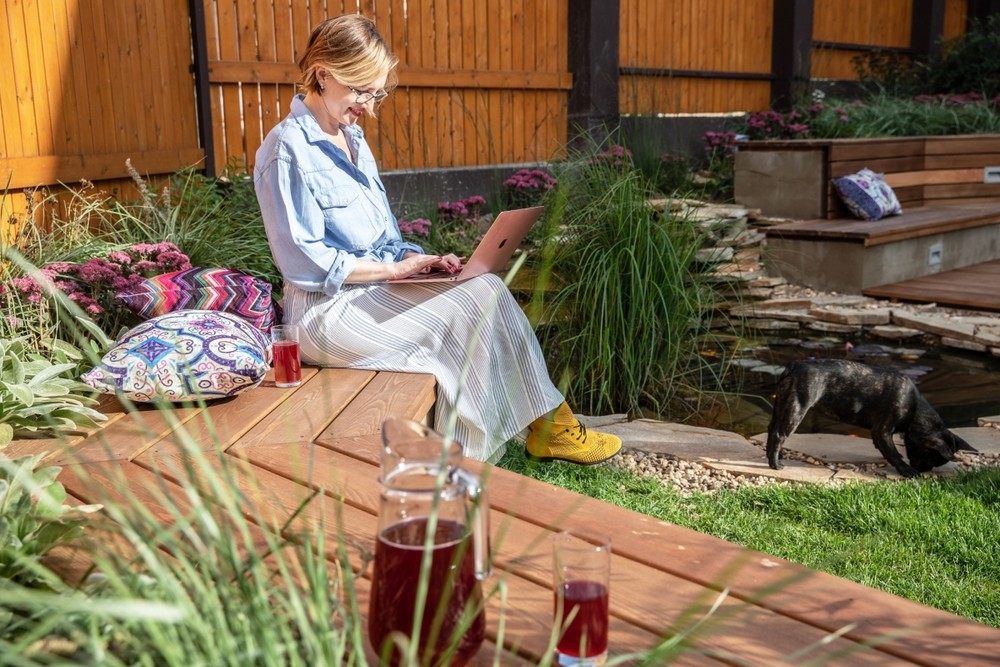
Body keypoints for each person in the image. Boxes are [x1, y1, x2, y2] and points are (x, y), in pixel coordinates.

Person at [253, 14, 621, 464]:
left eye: (376, 92)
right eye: (361, 90)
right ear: (324, 74)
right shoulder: (285, 148)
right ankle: (517, 441)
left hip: (374, 291)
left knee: (479, 286)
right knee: (467, 311)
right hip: (325, 311)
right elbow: (303, 265)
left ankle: (502, 446)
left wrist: (418, 261)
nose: (369, 107)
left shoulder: (353, 139)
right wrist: (394, 270)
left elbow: (386, 238)